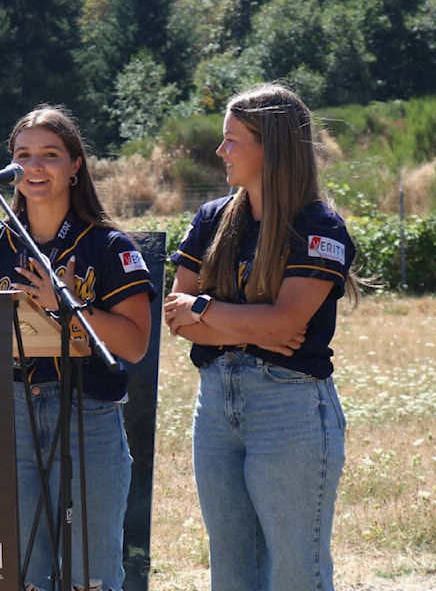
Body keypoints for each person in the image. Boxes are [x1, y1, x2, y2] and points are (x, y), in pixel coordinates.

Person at [0, 104, 154, 591]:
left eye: (50, 155)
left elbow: (136, 343)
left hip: (88, 413)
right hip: (9, 414)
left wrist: (65, 305)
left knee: (91, 574)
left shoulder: (107, 245)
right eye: (22, 156)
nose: (34, 167)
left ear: (75, 165)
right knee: (19, 574)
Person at [164, 83, 358, 591]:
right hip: (214, 408)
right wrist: (256, 327)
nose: (219, 151)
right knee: (232, 571)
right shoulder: (210, 219)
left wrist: (205, 309)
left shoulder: (319, 226)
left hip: (289, 410)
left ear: (271, 146)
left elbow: (283, 325)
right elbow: (174, 315)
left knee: (295, 572)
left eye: (232, 140)